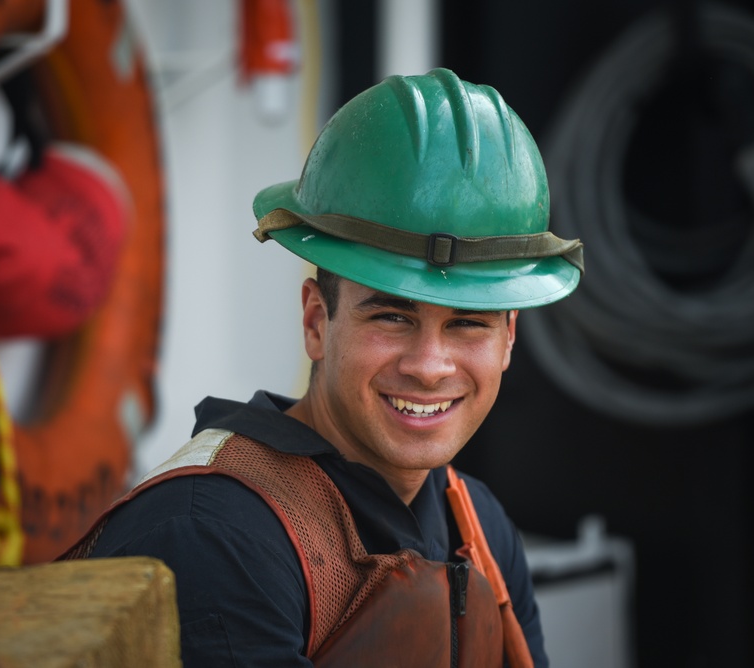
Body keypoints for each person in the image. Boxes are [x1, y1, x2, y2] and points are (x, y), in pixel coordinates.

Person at [60, 68, 584, 667]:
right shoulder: (212, 534)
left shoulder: (478, 524)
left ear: (509, 338)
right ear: (316, 322)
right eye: (391, 317)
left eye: (468, 323)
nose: (430, 367)